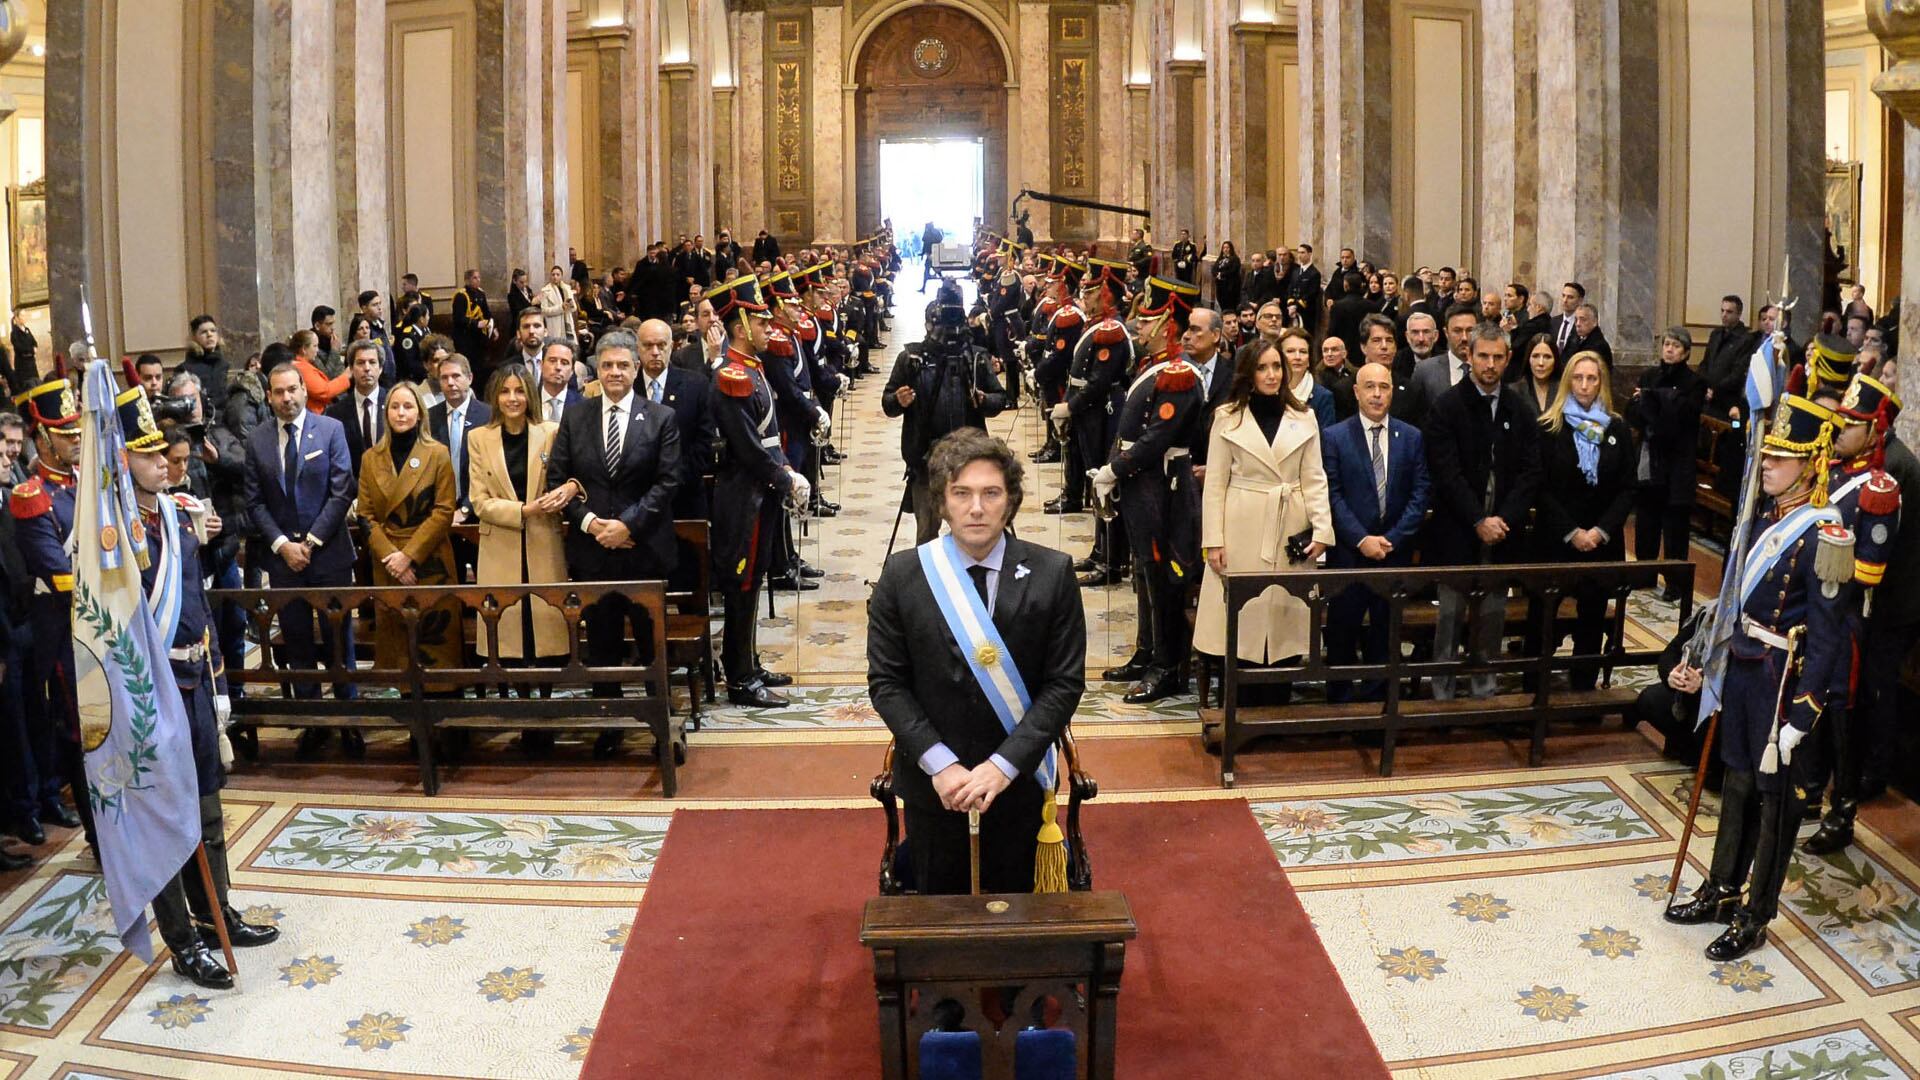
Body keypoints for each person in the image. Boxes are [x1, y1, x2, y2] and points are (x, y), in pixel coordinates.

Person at [1665, 394, 1851, 961]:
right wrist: (1703, 664)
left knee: (1777, 806)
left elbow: (1827, 637)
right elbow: (1731, 606)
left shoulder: (1825, 535)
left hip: (1782, 682)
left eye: (1780, 456)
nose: (1765, 464)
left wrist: (1805, 710)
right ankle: (1721, 886)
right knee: (1738, 783)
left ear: (1810, 463)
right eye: (1766, 454)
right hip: (1745, 668)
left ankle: (1755, 914)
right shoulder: (1764, 519)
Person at [868, 428, 1085, 894]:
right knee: (941, 915)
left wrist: (1003, 766)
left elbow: (1063, 684)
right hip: (935, 788)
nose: (977, 508)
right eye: (961, 493)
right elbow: (887, 683)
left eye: (991, 493)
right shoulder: (904, 574)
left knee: (1019, 913)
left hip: (1019, 783)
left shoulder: (1052, 573)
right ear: (941, 502)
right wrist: (941, 765)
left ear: (1010, 500)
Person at [117, 388, 281, 991]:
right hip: (151, 693)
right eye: (151, 453)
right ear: (124, 459)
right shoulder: (116, 534)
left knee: (208, 807)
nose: (165, 461)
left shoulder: (178, 512)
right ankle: (182, 942)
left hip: (195, 679)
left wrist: (216, 680)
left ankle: (217, 916)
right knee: (164, 818)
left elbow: (198, 604)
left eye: (168, 452)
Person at [543, 330, 682, 754]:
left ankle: (660, 723)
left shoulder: (659, 417)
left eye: (623, 365)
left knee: (649, 645)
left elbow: (668, 482)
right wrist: (590, 524)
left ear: (636, 369)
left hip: (644, 553)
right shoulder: (576, 416)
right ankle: (610, 722)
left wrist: (626, 526)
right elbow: (559, 480)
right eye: (607, 365)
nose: (615, 372)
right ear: (596, 371)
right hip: (593, 554)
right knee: (602, 646)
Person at [1801, 373, 1903, 855]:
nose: (1839, 428)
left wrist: (1823, 551)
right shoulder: (1834, 472)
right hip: (1813, 614)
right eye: (1839, 419)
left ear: (1873, 432)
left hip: (1845, 620)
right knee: (1809, 706)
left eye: (1851, 423)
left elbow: (1868, 570)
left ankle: (1841, 812)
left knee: (1841, 715)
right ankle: (1808, 790)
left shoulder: (1878, 489)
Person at [1193, 337, 1333, 686]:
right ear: (1248, 373)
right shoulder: (1227, 418)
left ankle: (1276, 706)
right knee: (1243, 621)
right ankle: (1237, 710)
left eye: (1276, 367)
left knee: (1284, 619)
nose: (1271, 375)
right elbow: (1215, 485)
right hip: (1241, 526)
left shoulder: (1304, 415)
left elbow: (1315, 477)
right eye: (1262, 367)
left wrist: (1321, 531)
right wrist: (1213, 540)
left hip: (1290, 523)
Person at [1092, 287, 1206, 703]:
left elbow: (1159, 436)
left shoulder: (1179, 376)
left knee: (1163, 575)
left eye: (1147, 319)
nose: (1138, 324)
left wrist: (1115, 468)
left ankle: (1168, 666)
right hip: (1144, 484)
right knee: (1144, 572)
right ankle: (1147, 651)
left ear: (1165, 326)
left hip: (1163, 488)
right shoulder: (1154, 366)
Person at [242, 363, 361, 759]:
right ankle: (313, 721)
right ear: (269, 396)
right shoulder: (257, 440)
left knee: (337, 637)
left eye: (293, 389)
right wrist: (281, 545)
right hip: (282, 561)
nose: (287, 398)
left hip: (328, 554)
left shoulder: (330, 431)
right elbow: (255, 502)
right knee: (296, 642)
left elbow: (342, 490)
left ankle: (350, 718)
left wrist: (309, 542)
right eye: (279, 392)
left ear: (304, 391)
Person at [1421, 322, 1542, 700]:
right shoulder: (1447, 405)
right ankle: (1441, 687)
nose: (1490, 364)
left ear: (1507, 360)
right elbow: (1446, 472)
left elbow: (1530, 471)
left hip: (1502, 528)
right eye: (1483, 356)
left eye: (1497, 357)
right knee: (1449, 615)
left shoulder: (1518, 408)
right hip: (1457, 527)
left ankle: (1483, 687)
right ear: (1468, 355)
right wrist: (1477, 519)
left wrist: (1503, 518)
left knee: (1492, 614)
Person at [705, 274, 805, 708]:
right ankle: (740, 678)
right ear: (742, 325)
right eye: (762, 323)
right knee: (742, 584)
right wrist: (785, 478)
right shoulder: (733, 375)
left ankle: (748, 660)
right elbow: (746, 446)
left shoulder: (753, 370)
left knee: (756, 575)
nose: (770, 329)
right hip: (742, 495)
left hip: (760, 491)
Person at [7, 377, 89, 850]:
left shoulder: (86, 484)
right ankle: (97, 831)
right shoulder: (32, 496)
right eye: (65, 434)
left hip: (100, 630)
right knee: (79, 729)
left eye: (77, 431)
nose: (75, 440)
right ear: (42, 437)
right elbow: (62, 577)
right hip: (64, 631)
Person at [1321, 362, 1429, 702]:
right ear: (1356, 391)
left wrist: (1393, 538)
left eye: (1384, 386)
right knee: (1342, 633)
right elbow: (1332, 495)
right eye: (1370, 387)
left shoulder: (1411, 437)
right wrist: (1361, 539)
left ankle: (1378, 705)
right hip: (1350, 556)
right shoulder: (1335, 436)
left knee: (1385, 634)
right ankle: (1340, 704)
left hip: (1392, 554)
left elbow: (1420, 493)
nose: (1378, 394)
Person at [1531, 352, 1634, 690]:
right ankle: (1535, 690)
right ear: (1568, 381)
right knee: (1542, 620)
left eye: (1592, 378)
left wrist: (1600, 531)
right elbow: (1541, 488)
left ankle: (1583, 692)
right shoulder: (1549, 427)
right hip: (1557, 540)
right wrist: (1572, 531)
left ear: (1602, 382)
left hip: (1601, 543)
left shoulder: (1616, 428)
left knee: (1591, 621)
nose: (1585, 385)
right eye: (1579, 378)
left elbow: (1627, 488)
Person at [884, 279, 1009, 544]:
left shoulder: (975, 357)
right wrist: (898, 400)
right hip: (926, 459)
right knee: (927, 535)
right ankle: (929, 583)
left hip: (971, 460)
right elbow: (887, 403)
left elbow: (1001, 399)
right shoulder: (912, 359)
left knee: (973, 534)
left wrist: (984, 399)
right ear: (928, 322)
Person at [357, 381, 463, 679]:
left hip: (429, 560)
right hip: (387, 562)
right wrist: (393, 557)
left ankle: (445, 712)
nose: (401, 413)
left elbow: (444, 511)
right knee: (399, 644)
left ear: (420, 413)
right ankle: (407, 714)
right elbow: (365, 516)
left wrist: (409, 556)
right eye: (394, 407)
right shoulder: (370, 458)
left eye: (408, 407)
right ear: (386, 413)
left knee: (437, 646)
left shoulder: (437, 454)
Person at [1630, 327, 1706, 598]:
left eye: (1675, 346)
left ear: (1686, 352)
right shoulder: (1650, 375)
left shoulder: (1695, 382)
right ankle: (1644, 574)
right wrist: (1654, 403)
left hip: (1677, 460)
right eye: (1666, 345)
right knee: (1647, 520)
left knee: (1675, 526)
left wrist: (1652, 401)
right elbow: (1635, 412)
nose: (1669, 350)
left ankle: (1675, 583)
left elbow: (1680, 419)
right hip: (1651, 457)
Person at [636, 318, 715, 522]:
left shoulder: (696, 385)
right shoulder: (627, 388)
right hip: (636, 501)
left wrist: (670, 481)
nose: (655, 351)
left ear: (671, 347)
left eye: (661, 345)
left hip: (685, 497)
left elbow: (704, 443)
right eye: (648, 345)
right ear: (637, 348)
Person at [427, 354, 491, 575]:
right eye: (444, 378)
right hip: (441, 516)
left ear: (470, 378)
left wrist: (466, 508)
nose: (450, 383)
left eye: (456, 376)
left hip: (480, 516)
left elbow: (489, 471)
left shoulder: (488, 415)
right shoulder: (429, 418)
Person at [1406, 303, 1479, 424]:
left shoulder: (1489, 368)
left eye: (1470, 330)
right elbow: (1415, 417)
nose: (1464, 338)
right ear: (1446, 333)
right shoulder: (1425, 371)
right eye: (1457, 331)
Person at [322, 341, 385, 478]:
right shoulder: (335, 413)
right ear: (350, 369)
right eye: (360, 363)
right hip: (352, 491)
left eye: (372, 362)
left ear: (380, 368)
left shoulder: (395, 404)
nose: (367, 368)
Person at [1279, 327, 1335, 430]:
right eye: (1290, 351)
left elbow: (1326, 442)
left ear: (1309, 360)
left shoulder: (1323, 397)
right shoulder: (1271, 392)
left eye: (1303, 352)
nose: (1297, 357)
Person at [289, 329, 352, 414]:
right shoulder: (301, 368)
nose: (317, 350)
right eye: (315, 346)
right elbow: (324, 391)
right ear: (304, 349)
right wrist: (345, 377)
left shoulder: (304, 365)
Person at [181, 315, 232, 413]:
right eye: (204, 332)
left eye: (213, 331)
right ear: (194, 337)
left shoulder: (224, 365)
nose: (209, 334)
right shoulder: (185, 369)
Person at [1511, 333, 1559, 427]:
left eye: (1547, 357)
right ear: (1528, 359)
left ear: (1555, 360)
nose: (1541, 363)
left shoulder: (1564, 392)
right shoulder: (1514, 392)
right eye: (1535, 356)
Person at [540, 264, 578, 341]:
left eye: (558, 275)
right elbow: (544, 311)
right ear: (550, 276)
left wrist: (571, 305)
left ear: (561, 276)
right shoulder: (545, 290)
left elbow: (573, 308)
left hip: (567, 320)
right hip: (554, 323)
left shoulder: (566, 289)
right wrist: (561, 307)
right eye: (553, 274)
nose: (555, 277)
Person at [1213, 240, 1242, 313]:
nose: (1225, 249)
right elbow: (1214, 268)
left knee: (1230, 304)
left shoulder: (1235, 259)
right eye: (1224, 248)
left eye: (1227, 247)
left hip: (1230, 285)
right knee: (1221, 301)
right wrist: (1216, 274)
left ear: (1231, 249)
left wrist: (1221, 274)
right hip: (1220, 285)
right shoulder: (1220, 259)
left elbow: (1233, 270)